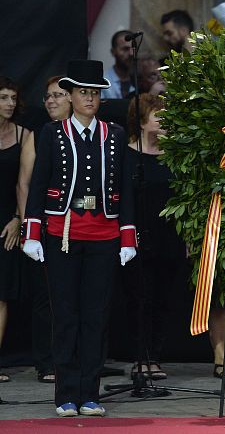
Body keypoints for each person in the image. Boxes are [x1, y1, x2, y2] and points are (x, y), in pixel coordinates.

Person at [22, 60, 138, 417]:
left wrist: (128, 237)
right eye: (83, 92)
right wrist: (33, 231)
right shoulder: (52, 133)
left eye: (95, 93)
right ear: (70, 96)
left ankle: (90, 393)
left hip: (104, 235)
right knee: (66, 315)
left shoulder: (114, 134)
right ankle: (65, 394)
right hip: (62, 236)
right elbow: (39, 184)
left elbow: (125, 189)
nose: (90, 98)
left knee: (96, 315)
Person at [123, 93, 188, 380]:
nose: (164, 120)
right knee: (139, 299)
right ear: (141, 119)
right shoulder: (126, 155)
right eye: (158, 114)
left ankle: (155, 357)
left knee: (164, 298)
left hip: (169, 238)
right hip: (136, 238)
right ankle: (140, 357)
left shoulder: (174, 154)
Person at [17, 75, 72, 383]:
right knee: (45, 296)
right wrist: (30, 228)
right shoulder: (38, 135)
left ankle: (74, 356)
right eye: (48, 96)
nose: (51, 100)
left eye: (58, 95)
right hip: (45, 227)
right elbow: (24, 184)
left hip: (77, 228)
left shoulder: (92, 134)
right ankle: (46, 361)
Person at [0, 76, 30, 383]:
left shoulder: (24, 134)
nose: (10, 103)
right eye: (4, 97)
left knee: (2, 295)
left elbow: (25, 184)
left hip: (6, 221)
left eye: (12, 98)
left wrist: (18, 219)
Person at [102, 30, 135, 99]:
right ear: (113, 52)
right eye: (125, 49)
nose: (131, 53)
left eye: (134, 49)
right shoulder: (102, 80)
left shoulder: (140, 80)